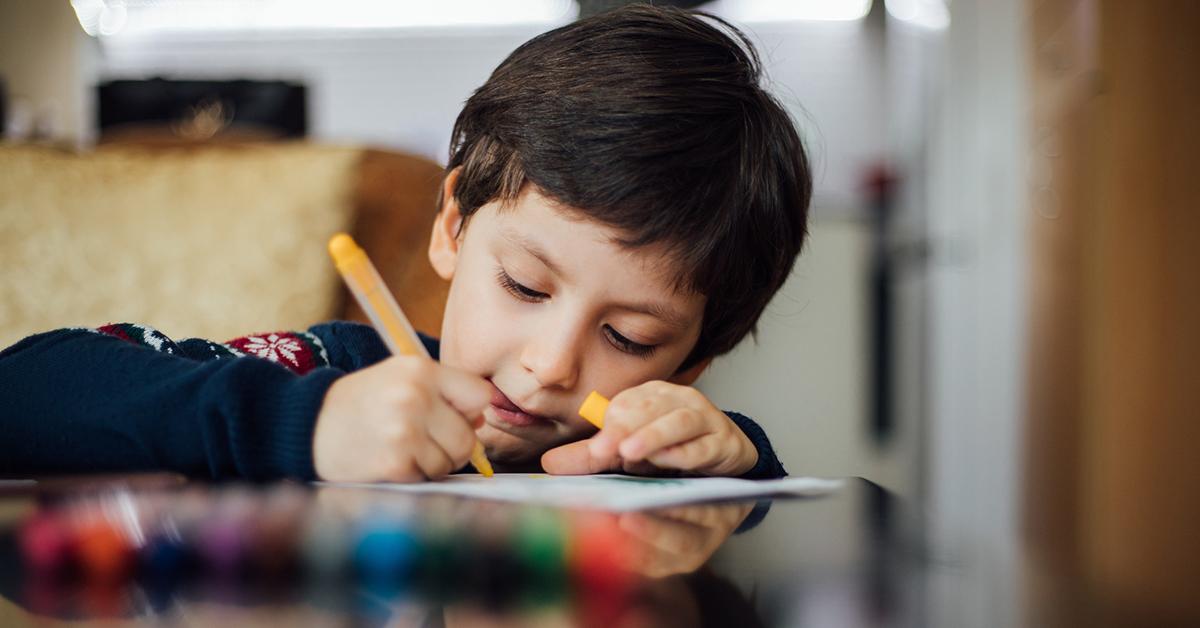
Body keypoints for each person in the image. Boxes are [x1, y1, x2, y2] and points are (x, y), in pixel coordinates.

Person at [0, 5, 810, 483]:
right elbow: (26, 390)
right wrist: (306, 426)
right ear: (454, 225)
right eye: (527, 286)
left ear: (692, 361)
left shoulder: (649, 455)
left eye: (628, 338)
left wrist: (742, 461)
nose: (553, 365)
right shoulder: (328, 374)